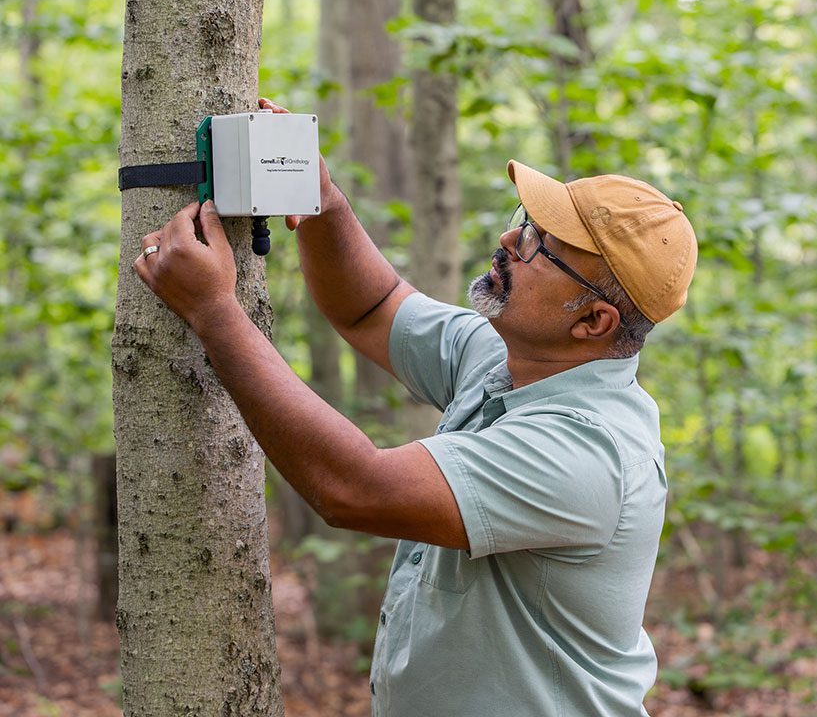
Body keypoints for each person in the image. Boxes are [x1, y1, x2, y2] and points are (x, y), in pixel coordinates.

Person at [133, 97, 697, 716]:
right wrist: (321, 199)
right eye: (524, 221)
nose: (511, 238)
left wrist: (214, 312)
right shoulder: (506, 357)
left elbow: (352, 488)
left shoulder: (589, 452)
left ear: (593, 321)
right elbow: (370, 307)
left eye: (542, 246)